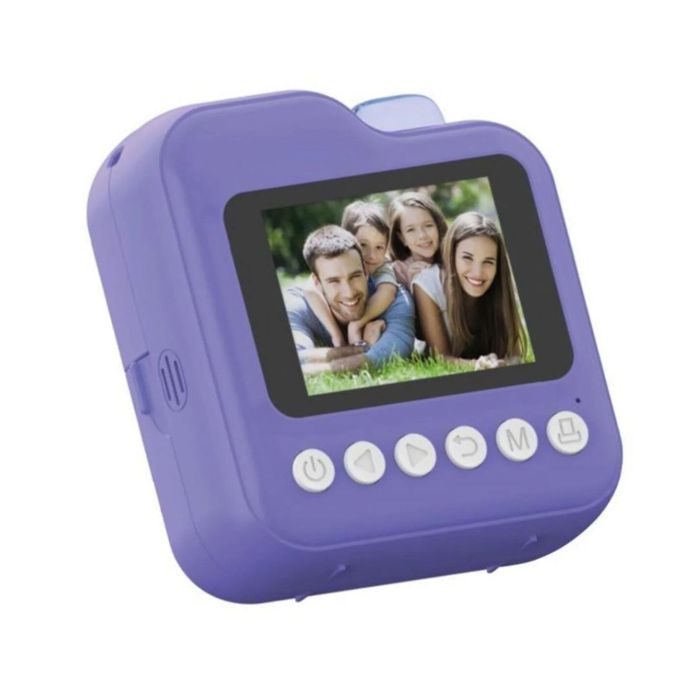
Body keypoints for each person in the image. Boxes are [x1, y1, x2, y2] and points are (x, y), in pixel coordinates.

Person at [285, 225, 415, 374]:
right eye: (334, 281)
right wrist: (363, 347)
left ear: (365, 271)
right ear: (317, 282)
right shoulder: (298, 305)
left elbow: (396, 349)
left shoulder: (394, 297)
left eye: (355, 276)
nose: (349, 292)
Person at [412, 212, 527, 367]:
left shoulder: (501, 287)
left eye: (488, 262)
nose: (477, 272)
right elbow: (440, 358)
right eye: (467, 258)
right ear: (451, 255)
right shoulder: (428, 284)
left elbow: (515, 357)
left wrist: (503, 364)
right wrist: (479, 365)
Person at [303, 201, 398, 345]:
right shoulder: (330, 268)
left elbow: (388, 292)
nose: (371, 256)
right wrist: (336, 335)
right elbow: (310, 290)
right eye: (363, 245)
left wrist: (356, 325)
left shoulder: (383, 268)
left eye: (379, 247)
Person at [388, 191, 448, 288]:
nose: (422, 235)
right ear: (402, 238)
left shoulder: (453, 258)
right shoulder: (398, 271)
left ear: (438, 226)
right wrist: (411, 283)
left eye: (428, 225)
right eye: (411, 230)